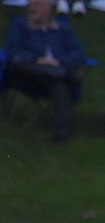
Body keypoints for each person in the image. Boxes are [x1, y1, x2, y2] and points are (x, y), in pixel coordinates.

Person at [2, 0, 86, 140]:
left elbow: (78, 54)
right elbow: (13, 53)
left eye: (37, 4)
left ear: (48, 8)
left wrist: (58, 61)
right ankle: (61, 76)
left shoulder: (62, 30)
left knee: (60, 87)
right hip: (28, 78)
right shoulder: (20, 27)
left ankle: (60, 133)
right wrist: (38, 60)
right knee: (59, 80)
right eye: (31, 4)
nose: (32, 8)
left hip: (53, 80)